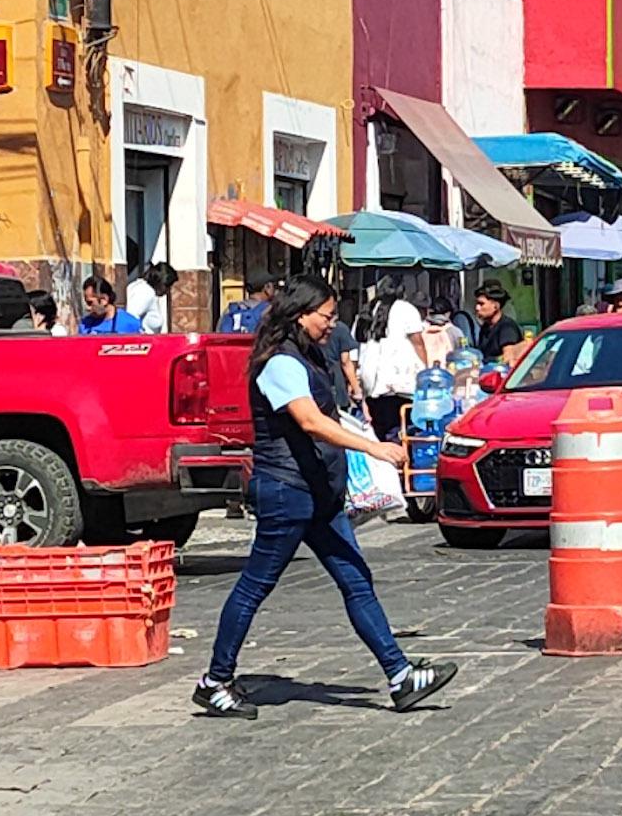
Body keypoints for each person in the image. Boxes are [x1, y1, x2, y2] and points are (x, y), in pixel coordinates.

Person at [192, 277, 459, 721]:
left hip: (318, 492)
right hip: (286, 492)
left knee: (356, 578)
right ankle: (215, 681)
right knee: (255, 585)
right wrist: (374, 448)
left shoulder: (310, 355)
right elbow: (311, 421)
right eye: (327, 316)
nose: (332, 325)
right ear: (301, 314)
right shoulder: (279, 362)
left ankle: (400, 676)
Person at [351, 281, 433, 441]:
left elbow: (355, 350)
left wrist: (355, 383)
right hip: (399, 384)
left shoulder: (366, 311)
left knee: (380, 431)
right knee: (399, 432)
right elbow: (418, 343)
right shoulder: (406, 309)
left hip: (371, 385)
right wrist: (426, 371)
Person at [467, 280, 526, 365]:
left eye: (481, 304)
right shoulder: (486, 327)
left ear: (495, 306)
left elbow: (509, 358)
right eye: (477, 303)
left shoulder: (507, 328)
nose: (477, 308)